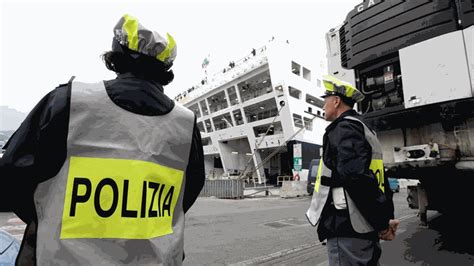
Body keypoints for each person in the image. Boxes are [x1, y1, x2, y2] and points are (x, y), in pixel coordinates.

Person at [0, 14, 205, 265]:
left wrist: (49, 216)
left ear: (115, 54)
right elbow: (187, 193)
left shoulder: (69, 102)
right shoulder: (184, 124)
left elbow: (11, 176)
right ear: (165, 69)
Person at [306, 75, 399, 265]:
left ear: (336, 101)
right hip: (363, 225)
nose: (323, 106)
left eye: (325, 101)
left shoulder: (343, 129)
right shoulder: (364, 129)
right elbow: (379, 178)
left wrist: (382, 223)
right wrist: (384, 218)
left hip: (348, 227)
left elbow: (357, 178)